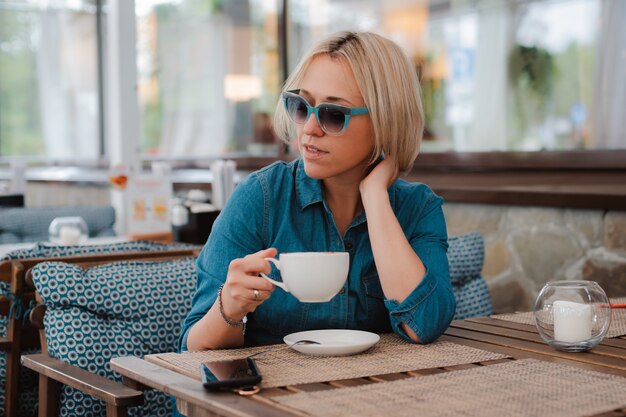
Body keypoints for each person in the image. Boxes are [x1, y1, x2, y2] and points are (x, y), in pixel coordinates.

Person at [180, 31, 456, 351]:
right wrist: (229, 308)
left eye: (333, 114)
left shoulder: (417, 208)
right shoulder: (260, 199)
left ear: (386, 121)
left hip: (372, 395)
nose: (309, 129)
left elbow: (424, 324)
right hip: (265, 395)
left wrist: (375, 193)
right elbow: (191, 349)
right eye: (302, 106)